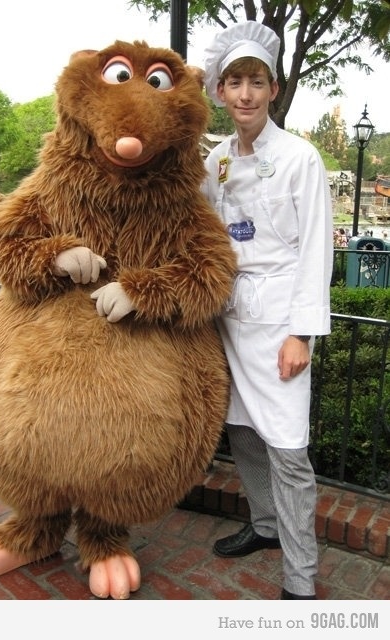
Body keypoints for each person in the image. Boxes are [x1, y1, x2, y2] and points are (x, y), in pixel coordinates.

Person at [201, 21, 333, 600]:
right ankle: (263, 527)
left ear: (272, 89)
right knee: (244, 435)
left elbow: (316, 251)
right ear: (221, 92)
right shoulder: (216, 163)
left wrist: (302, 333)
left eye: (257, 81)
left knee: (287, 451)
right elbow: (204, 234)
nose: (247, 93)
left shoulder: (302, 158)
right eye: (236, 82)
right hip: (230, 319)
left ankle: (300, 580)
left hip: (280, 322)